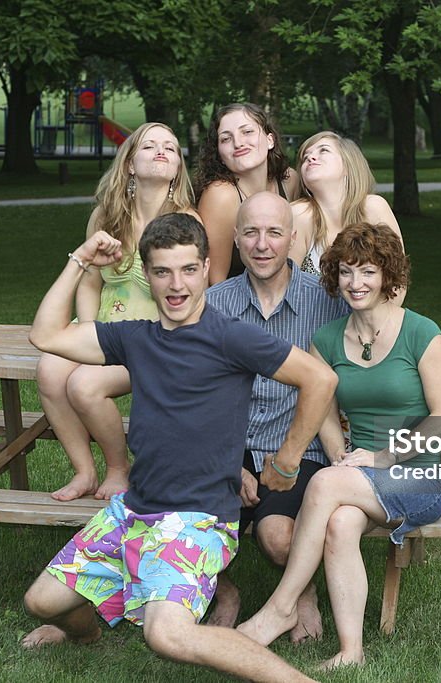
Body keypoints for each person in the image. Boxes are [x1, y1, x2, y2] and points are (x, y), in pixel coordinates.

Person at [20, 213, 336, 683]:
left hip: (197, 517)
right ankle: (87, 636)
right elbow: (45, 336)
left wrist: (287, 460)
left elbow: (319, 378)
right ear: (146, 275)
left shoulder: (229, 335)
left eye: (188, 270)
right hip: (134, 510)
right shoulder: (137, 337)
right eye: (163, 271)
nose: (176, 284)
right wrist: (81, 260)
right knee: (40, 602)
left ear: (207, 268)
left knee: (166, 635)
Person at [238, 222, 441, 670]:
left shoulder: (420, 332)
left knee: (324, 486)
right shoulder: (326, 340)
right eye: (346, 272)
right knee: (340, 523)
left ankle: (280, 607)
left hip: (419, 472)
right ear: (334, 277)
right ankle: (351, 651)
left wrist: (382, 458)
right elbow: (322, 410)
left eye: (367, 272)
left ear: (387, 277)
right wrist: (342, 454)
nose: (356, 284)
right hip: (360, 475)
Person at [206, 192, 349, 639]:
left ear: (293, 241)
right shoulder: (213, 305)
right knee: (187, 526)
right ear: (235, 239)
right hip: (227, 447)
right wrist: (232, 463)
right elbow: (200, 397)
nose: (262, 244)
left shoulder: (328, 303)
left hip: (298, 448)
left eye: (273, 233)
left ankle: (298, 594)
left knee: (278, 540)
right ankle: (224, 591)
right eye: (250, 232)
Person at [35, 122, 199, 502]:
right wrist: (89, 331)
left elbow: (189, 295)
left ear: (177, 168)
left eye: (170, 148)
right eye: (150, 146)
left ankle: (117, 467)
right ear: (129, 163)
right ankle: (83, 470)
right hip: (105, 324)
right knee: (50, 369)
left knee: (83, 385)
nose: (161, 151)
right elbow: (91, 283)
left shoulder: (185, 223)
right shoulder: (106, 217)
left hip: (152, 336)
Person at [289, 132, 404, 300]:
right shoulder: (299, 215)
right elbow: (285, 289)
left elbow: (398, 281)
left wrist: (376, 324)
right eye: (305, 157)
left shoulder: (374, 208)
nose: (311, 158)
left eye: (323, 151)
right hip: (313, 323)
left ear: (348, 165)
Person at [195, 103, 301, 285]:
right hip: (233, 306)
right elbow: (214, 281)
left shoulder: (289, 180)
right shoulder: (221, 196)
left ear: (270, 140)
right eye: (226, 139)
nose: (238, 143)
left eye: (247, 132)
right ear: (220, 154)